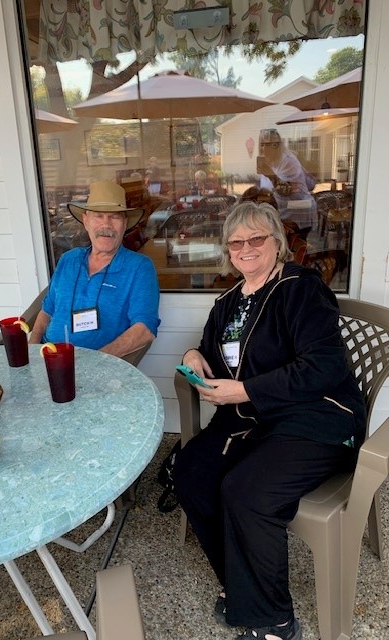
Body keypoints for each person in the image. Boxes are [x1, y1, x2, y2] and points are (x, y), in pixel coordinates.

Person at [173, 200, 366, 640]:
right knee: (191, 472)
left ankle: (274, 620)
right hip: (252, 421)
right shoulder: (228, 301)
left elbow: (323, 367)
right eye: (235, 242)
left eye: (256, 238)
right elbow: (207, 346)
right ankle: (242, 584)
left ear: (277, 242)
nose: (246, 248)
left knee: (246, 491)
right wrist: (192, 355)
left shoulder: (300, 288)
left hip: (314, 419)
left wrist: (244, 390)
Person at [29, 180, 160, 357]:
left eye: (114, 217)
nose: (106, 225)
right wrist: (32, 350)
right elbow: (47, 310)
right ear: (86, 221)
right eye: (98, 215)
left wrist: (97, 361)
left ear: (124, 223)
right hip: (47, 355)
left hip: (98, 365)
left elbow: (145, 330)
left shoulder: (139, 267)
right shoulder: (68, 260)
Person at [257, 128, 317, 240]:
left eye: (269, 144)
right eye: (262, 144)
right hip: (281, 214)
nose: (264, 148)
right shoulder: (268, 162)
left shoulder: (287, 161)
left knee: (293, 247)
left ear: (277, 146)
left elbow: (287, 190)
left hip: (296, 214)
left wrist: (271, 176)